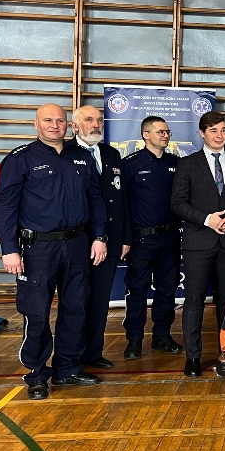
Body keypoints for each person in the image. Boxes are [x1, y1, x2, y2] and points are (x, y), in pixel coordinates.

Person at [0, 103, 108, 399]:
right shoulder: (20, 159)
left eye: (60, 120)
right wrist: (9, 249)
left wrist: (99, 236)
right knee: (36, 312)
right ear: (36, 124)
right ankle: (36, 374)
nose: (55, 125)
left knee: (75, 308)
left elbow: (95, 199)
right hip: (37, 248)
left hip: (77, 244)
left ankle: (67, 368)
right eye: (48, 120)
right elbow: (4, 206)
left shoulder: (82, 157)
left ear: (69, 125)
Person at [171, 111, 225, 377]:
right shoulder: (187, 164)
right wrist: (207, 219)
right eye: (213, 131)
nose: (219, 136)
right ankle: (193, 357)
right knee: (194, 300)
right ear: (202, 133)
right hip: (198, 242)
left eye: (223, 130)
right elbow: (177, 203)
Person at [68, 105, 130, 370]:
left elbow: (122, 198)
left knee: (101, 300)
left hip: (111, 239)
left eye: (99, 120)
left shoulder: (111, 153)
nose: (96, 124)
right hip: (78, 241)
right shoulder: (65, 153)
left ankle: (93, 353)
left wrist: (125, 237)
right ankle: (71, 357)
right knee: (76, 301)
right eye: (89, 120)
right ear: (74, 126)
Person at [121, 115, 183, 359]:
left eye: (167, 132)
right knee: (137, 291)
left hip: (170, 237)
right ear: (145, 135)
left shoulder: (176, 163)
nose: (165, 135)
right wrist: (125, 238)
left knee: (167, 290)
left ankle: (162, 336)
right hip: (141, 240)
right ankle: (134, 340)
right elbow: (121, 204)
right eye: (160, 132)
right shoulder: (130, 164)